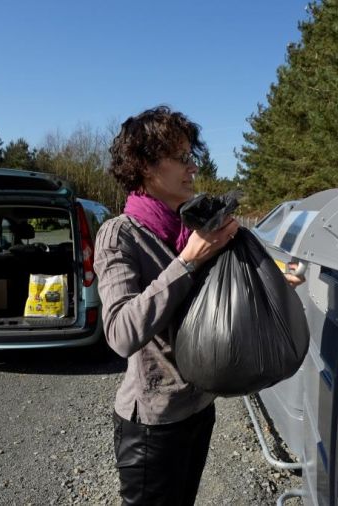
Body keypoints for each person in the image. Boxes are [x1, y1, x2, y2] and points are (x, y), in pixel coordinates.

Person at [93, 106, 239, 505]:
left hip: (199, 406)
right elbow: (121, 333)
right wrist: (188, 261)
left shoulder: (190, 227)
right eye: (182, 158)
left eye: (192, 156)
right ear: (145, 165)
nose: (193, 168)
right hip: (153, 423)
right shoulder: (119, 235)